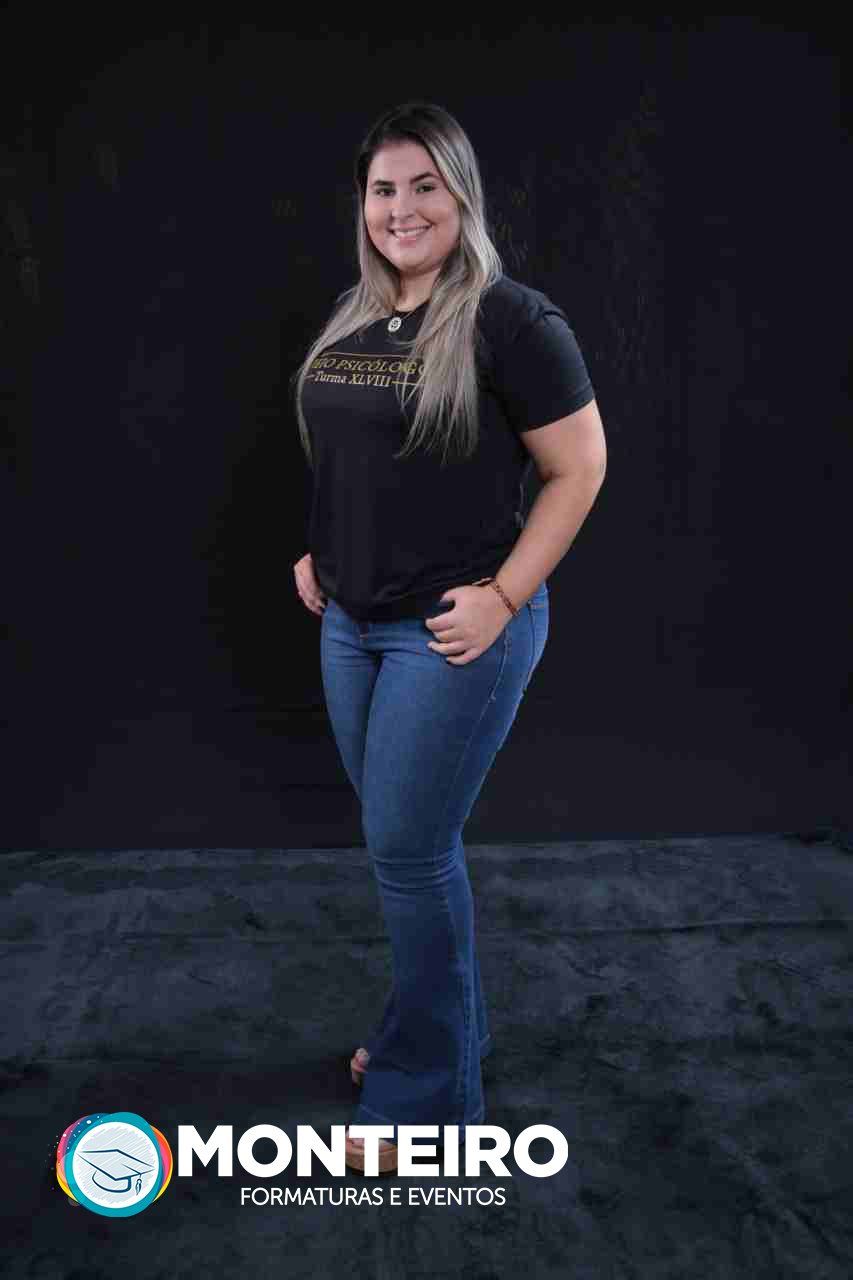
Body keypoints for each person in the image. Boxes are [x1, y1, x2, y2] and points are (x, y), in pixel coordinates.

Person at [290, 101, 607, 1175]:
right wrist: (323, 550)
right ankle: (436, 1038)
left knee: (409, 852)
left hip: (449, 631)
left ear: (461, 194)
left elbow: (579, 468)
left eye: (424, 185)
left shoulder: (512, 321)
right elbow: (359, 459)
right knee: (409, 851)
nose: (402, 208)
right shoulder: (357, 315)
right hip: (351, 624)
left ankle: (430, 1105)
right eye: (383, 189)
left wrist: (506, 597)